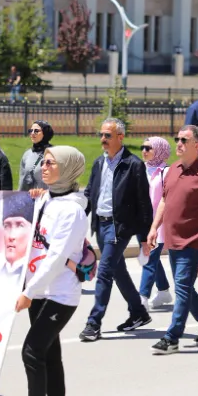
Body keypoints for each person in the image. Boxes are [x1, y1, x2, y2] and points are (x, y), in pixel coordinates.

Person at [18, 145, 89, 396]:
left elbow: (57, 258)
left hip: (59, 294)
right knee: (49, 354)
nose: (43, 168)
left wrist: (27, 292)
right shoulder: (46, 198)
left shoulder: (72, 211)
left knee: (31, 351)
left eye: (51, 163)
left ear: (68, 169)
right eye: (43, 163)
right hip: (39, 289)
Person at [146, 125, 198, 355]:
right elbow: (163, 202)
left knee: (181, 285)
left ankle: (172, 337)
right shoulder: (172, 170)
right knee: (184, 287)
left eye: (184, 140)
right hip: (172, 237)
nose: (178, 143)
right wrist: (153, 228)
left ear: (197, 145)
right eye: (177, 139)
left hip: (194, 239)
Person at [78, 118, 153, 341]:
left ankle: (93, 323)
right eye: (101, 135)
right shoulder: (99, 163)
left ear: (120, 137)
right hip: (99, 225)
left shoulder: (133, 164)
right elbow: (90, 193)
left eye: (107, 135)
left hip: (118, 227)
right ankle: (138, 312)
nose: (103, 139)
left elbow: (143, 203)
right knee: (118, 270)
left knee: (105, 272)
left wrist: (145, 237)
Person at [139, 137, 172, 310]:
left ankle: (142, 298)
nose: (144, 151)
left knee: (149, 258)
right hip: (141, 222)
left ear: (159, 150)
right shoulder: (139, 169)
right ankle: (164, 291)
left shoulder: (165, 172)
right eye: (143, 147)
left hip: (159, 223)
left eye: (149, 148)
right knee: (152, 257)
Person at [20, 121, 54, 191]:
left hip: (49, 199)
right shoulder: (27, 154)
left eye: (36, 131)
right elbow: (22, 181)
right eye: (30, 131)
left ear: (45, 133)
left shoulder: (54, 153)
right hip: (30, 198)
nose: (32, 133)